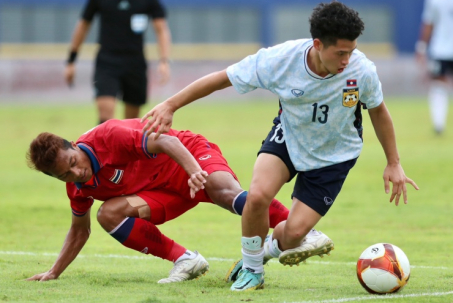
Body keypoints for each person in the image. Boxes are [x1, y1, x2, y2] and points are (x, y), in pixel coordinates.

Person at [140, 1, 419, 291]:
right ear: (318, 44)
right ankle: (252, 271)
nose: (347, 59)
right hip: (289, 137)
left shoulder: (362, 71)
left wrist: (394, 162)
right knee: (257, 196)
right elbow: (222, 79)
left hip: (334, 155)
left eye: (352, 51)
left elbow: (378, 111)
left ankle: (263, 253)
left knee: (294, 235)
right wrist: (171, 104)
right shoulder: (280, 60)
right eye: (340, 53)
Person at [25, 119, 291, 283]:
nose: (77, 173)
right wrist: (54, 271)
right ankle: (186, 260)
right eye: (64, 175)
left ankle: (297, 227)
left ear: (73, 145)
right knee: (107, 214)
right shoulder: (78, 187)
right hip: (163, 192)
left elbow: (165, 140)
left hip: (187, 156)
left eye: (73, 163)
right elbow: (79, 231)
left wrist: (194, 172)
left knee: (222, 190)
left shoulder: (107, 136)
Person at [64, 0, 171, 124]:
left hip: (135, 63)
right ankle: (104, 141)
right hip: (107, 62)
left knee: (131, 123)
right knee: (105, 118)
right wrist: (71, 60)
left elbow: (161, 29)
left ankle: (126, 142)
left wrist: (164, 61)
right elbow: (83, 25)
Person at [415, 0, 453, 135]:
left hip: (441, 50)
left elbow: (428, 23)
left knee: (438, 85)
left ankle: (439, 125)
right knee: (438, 85)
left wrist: (421, 47)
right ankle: (439, 125)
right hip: (441, 49)